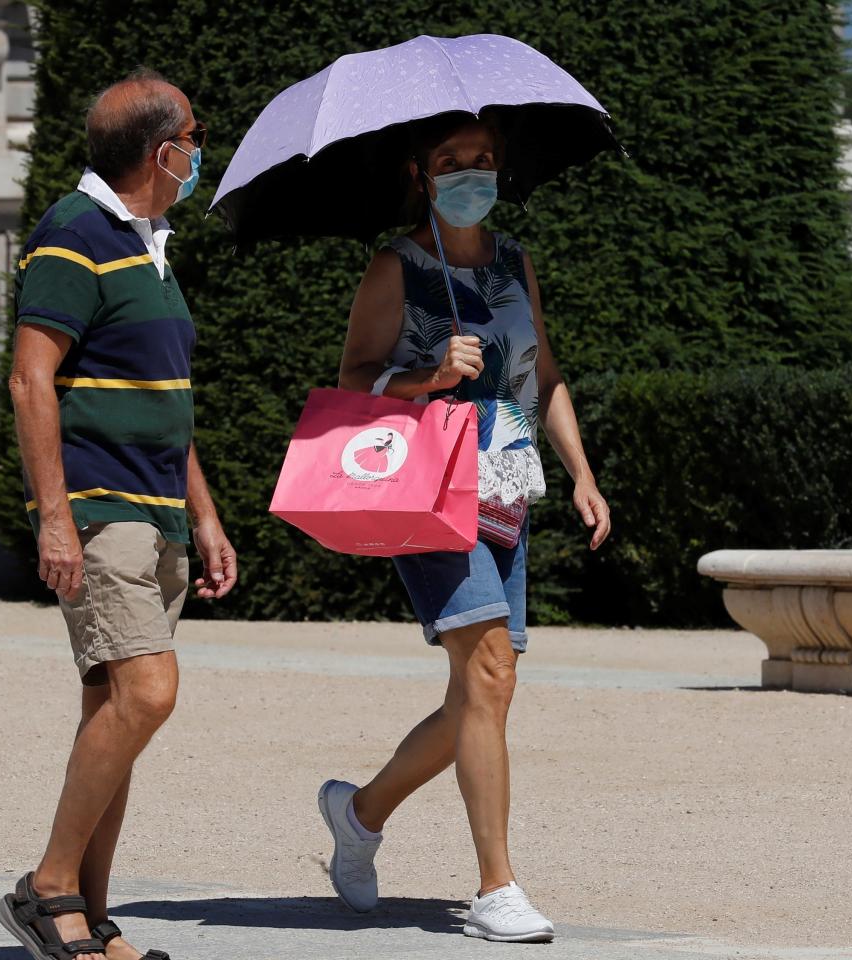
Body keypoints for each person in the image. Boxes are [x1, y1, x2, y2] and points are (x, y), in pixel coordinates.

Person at [318, 112, 612, 944]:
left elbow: (542, 373)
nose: (469, 172)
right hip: (425, 487)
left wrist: (583, 473)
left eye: (482, 159)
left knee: (487, 689)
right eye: (451, 160)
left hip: (507, 482)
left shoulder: (516, 261)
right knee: (486, 672)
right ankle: (497, 888)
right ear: (422, 173)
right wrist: (428, 374)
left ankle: (361, 813)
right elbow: (354, 381)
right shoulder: (396, 265)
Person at [0, 68, 237, 960]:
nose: (201, 149)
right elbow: (31, 378)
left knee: (112, 707)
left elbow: (163, 399)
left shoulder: (150, 244)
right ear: (159, 149)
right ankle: (48, 888)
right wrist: (54, 517)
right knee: (148, 692)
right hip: (102, 509)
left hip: (157, 509)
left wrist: (204, 514)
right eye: (194, 134)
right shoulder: (75, 231)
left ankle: (90, 924)